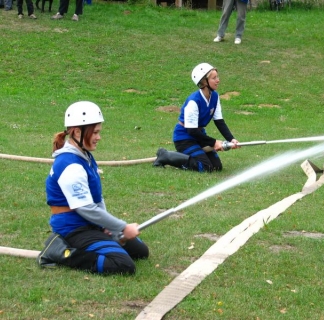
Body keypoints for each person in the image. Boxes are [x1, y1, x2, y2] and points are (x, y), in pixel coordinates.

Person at [38, 101, 149, 275]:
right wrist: (121, 227)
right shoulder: (70, 165)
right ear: (77, 132)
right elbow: (86, 208)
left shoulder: (85, 157)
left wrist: (108, 228)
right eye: (95, 132)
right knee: (123, 265)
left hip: (90, 225)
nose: (99, 137)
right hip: (73, 230)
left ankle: (99, 242)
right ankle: (58, 252)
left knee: (141, 252)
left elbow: (97, 198)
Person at [153, 63, 239, 173]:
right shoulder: (194, 101)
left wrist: (231, 139)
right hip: (184, 138)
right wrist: (214, 143)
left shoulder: (215, 96)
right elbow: (191, 131)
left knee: (216, 167)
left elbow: (219, 121)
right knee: (205, 167)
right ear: (204, 82)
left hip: (199, 136)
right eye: (214, 78)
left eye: (217, 77)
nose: (218, 80)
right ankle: (166, 156)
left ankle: (181, 157)